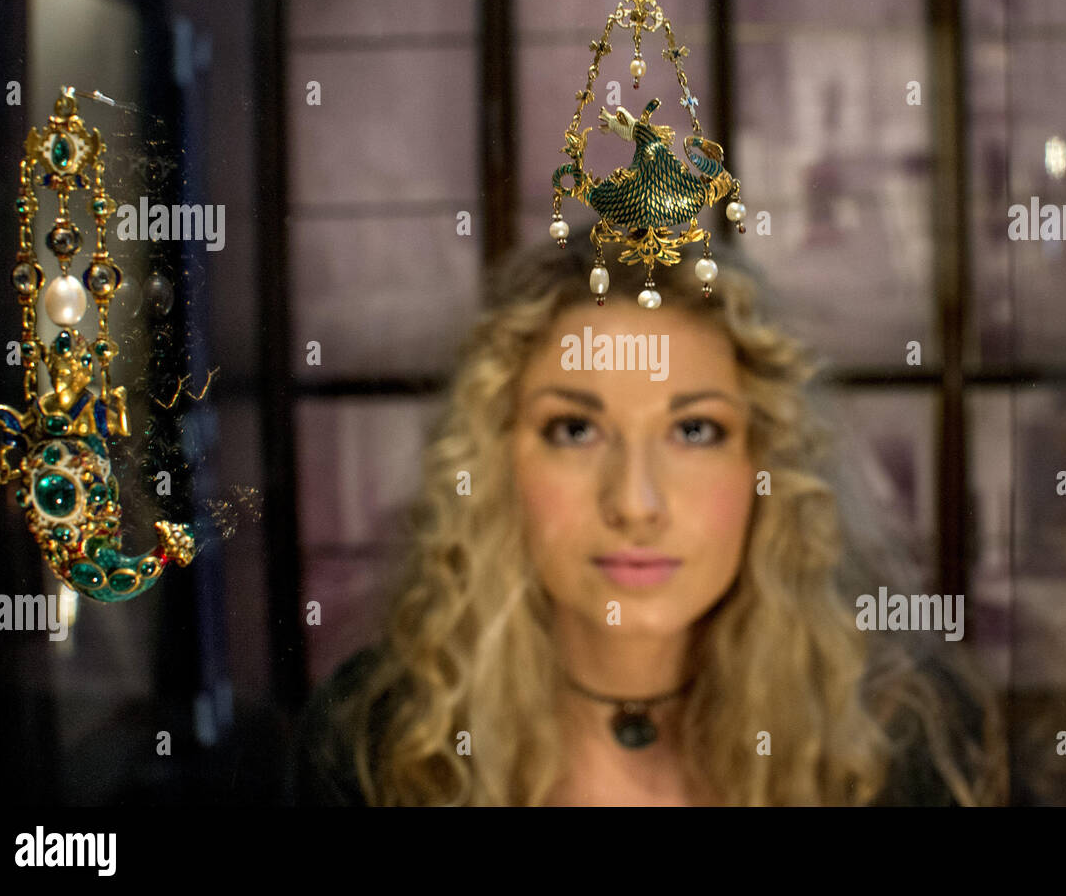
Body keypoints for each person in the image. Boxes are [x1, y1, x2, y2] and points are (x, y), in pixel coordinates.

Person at [290, 233, 1007, 806]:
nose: (635, 503)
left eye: (694, 431)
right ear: (496, 462)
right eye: (574, 430)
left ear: (768, 468)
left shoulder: (900, 737)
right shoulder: (377, 736)